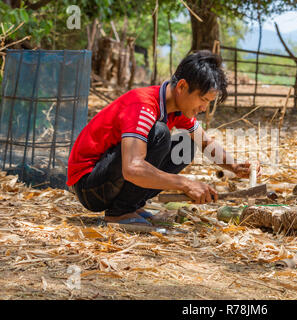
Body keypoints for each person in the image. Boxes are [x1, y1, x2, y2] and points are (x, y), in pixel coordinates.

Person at [67, 50, 261, 226]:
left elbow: (205, 142)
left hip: (108, 179)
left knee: (186, 146)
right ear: (182, 86)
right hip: (90, 186)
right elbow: (133, 168)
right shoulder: (143, 105)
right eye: (203, 100)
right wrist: (185, 184)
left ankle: (131, 206)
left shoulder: (176, 109)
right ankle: (120, 212)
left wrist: (234, 167)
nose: (203, 108)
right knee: (159, 133)